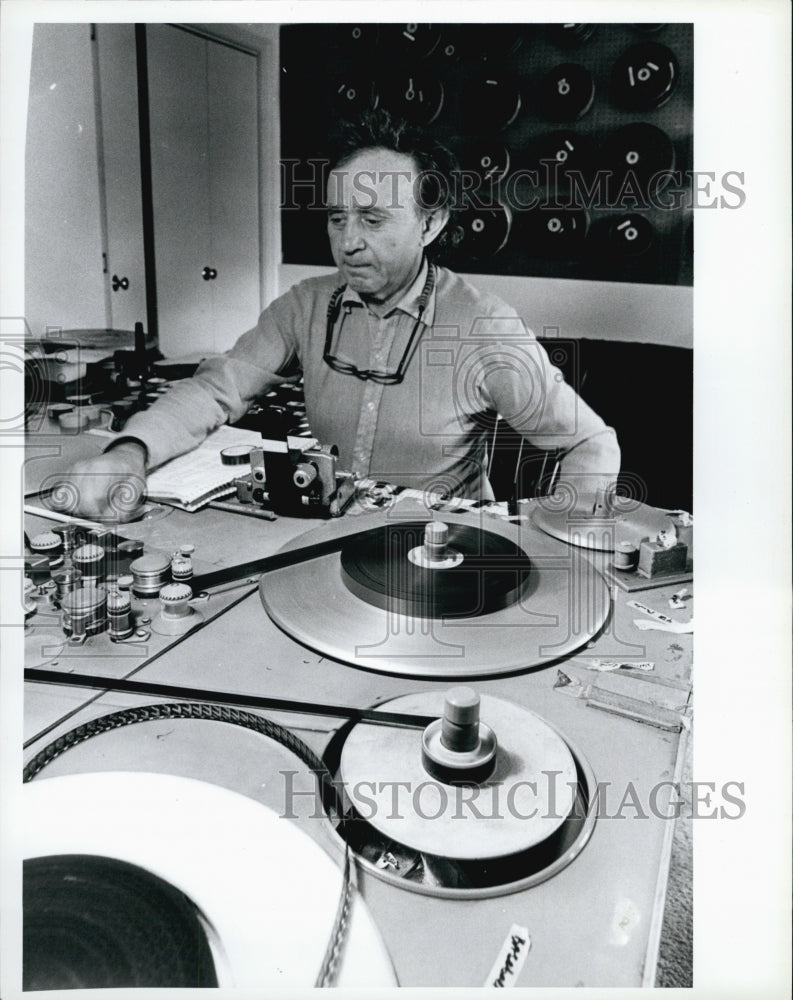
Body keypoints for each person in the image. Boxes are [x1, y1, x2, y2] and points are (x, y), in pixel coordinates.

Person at [61, 109, 619, 521]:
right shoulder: (306, 304)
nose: (347, 242)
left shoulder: (485, 327)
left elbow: (590, 445)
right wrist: (128, 454)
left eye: (373, 220)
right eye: (336, 218)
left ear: (431, 225)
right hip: (323, 537)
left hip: (442, 554)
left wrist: (550, 550)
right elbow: (215, 391)